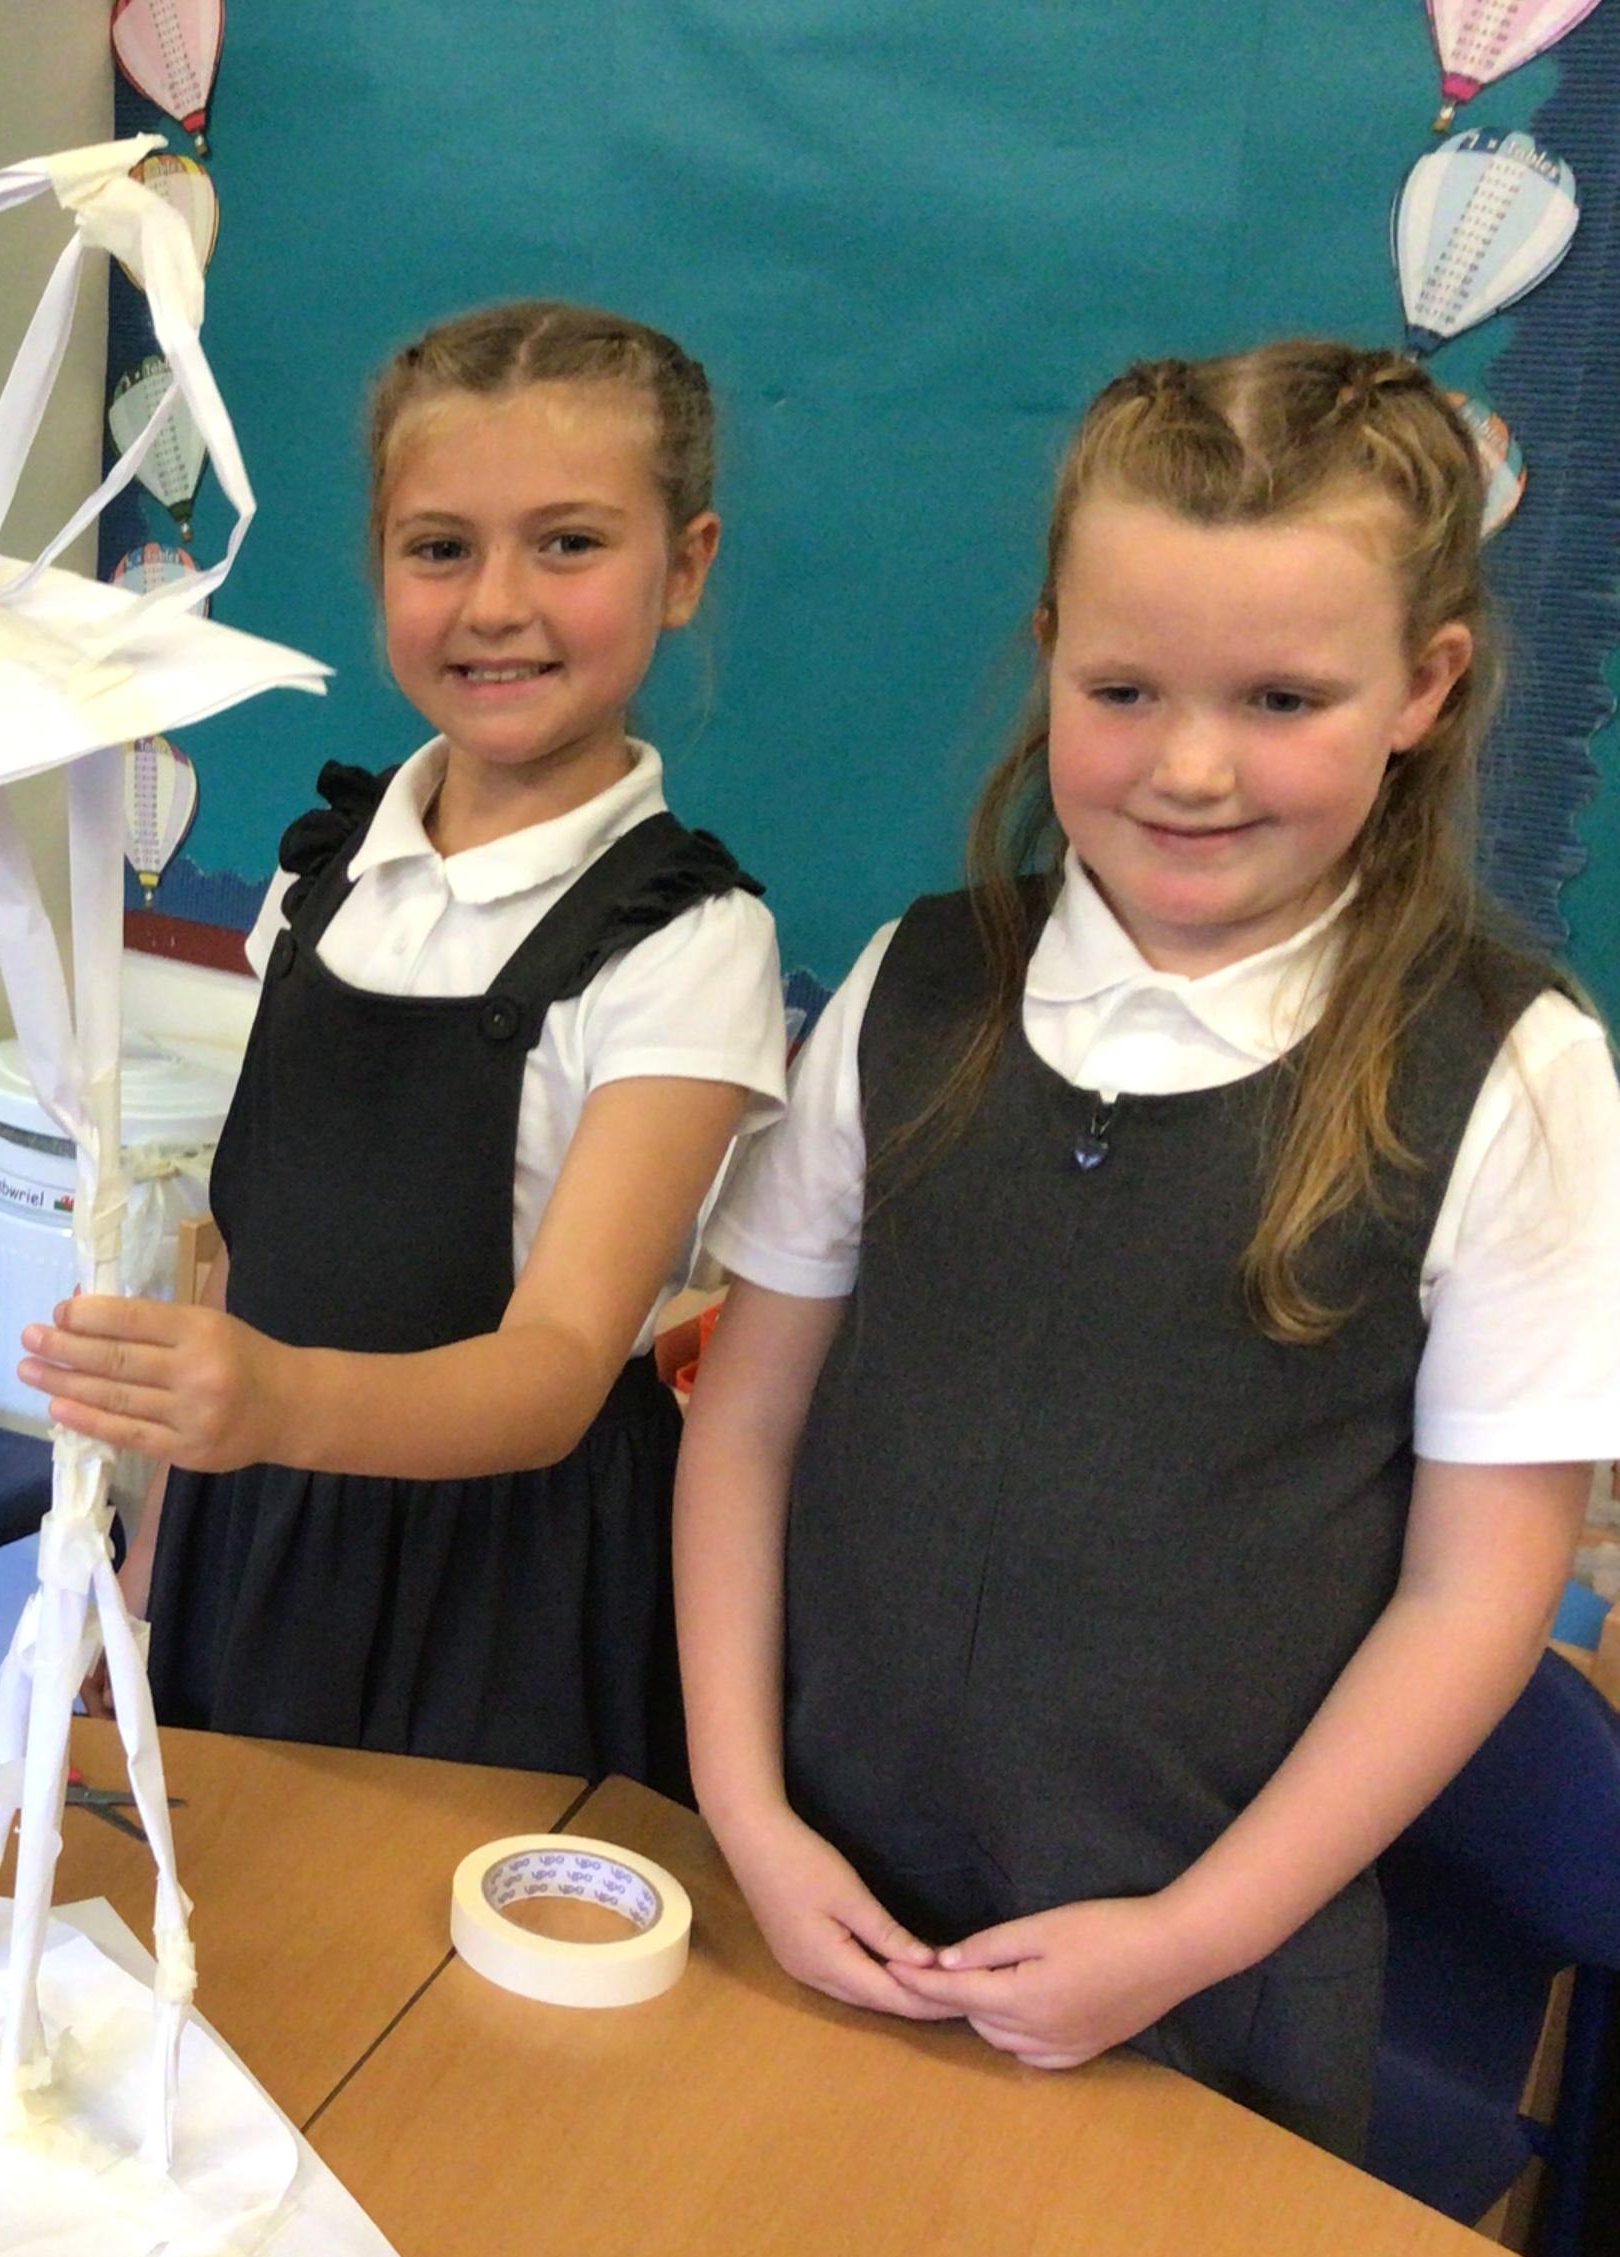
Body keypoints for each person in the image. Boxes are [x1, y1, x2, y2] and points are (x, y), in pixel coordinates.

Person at [676, 342, 1620, 2153]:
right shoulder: (915, 981)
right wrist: (745, 1809)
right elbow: (747, 1418)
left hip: (1192, 1985)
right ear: (1047, 651)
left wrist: (1190, 1935)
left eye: (1280, 697)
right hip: (810, 1895)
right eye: (1122, 689)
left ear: (1424, 686)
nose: (1190, 767)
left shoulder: (1513, 1071)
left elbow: (1472, 1598)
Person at [18, 301, 785, 1781]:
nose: (497, 604)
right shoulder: (324, 878)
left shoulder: (689, 943)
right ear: (379, 563)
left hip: (502, 1585)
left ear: (684, 566)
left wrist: (277, 1400)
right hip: (253, 1526)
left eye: (569, 544)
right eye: (440, 548)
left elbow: (557, 1368)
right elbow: (245, 1259)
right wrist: (151, 1575)